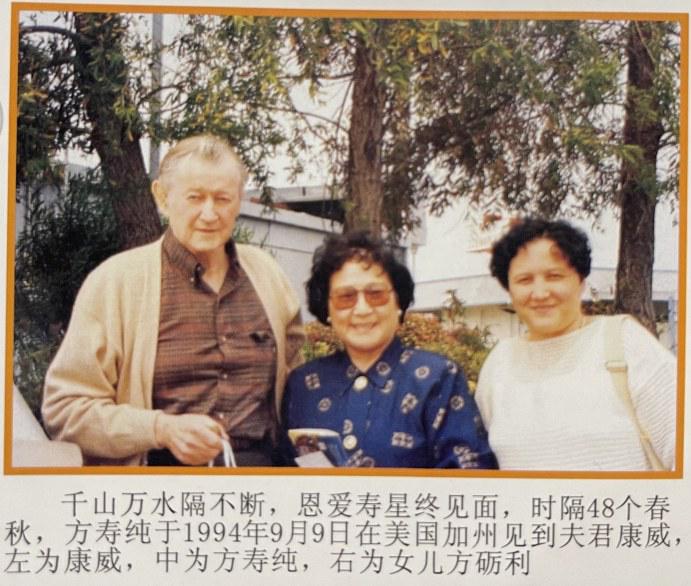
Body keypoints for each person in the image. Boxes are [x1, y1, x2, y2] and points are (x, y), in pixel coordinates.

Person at [42, 134, 304, 466]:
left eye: (222, 198)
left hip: (260, 479)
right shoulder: (115, 283)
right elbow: (65, 410)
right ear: (163, 197)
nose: (209, 213)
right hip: (160, 481)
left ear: (239, 200)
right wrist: (160, 429)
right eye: (195, 197)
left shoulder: (268, 276)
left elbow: (298, 385)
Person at [281, 231, 497, 468]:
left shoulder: (437, 379)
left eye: (376, 295)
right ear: (327, 309)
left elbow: (469, 475)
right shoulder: (304, 384)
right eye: (346, 297)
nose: (362, 309)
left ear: (398, 303)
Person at [475, 218, 676, 471]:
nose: (540, 293)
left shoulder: (625, 342)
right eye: (524, 280)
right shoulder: (500, 362)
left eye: (554, 276)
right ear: (509, 289)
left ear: (581, 281)